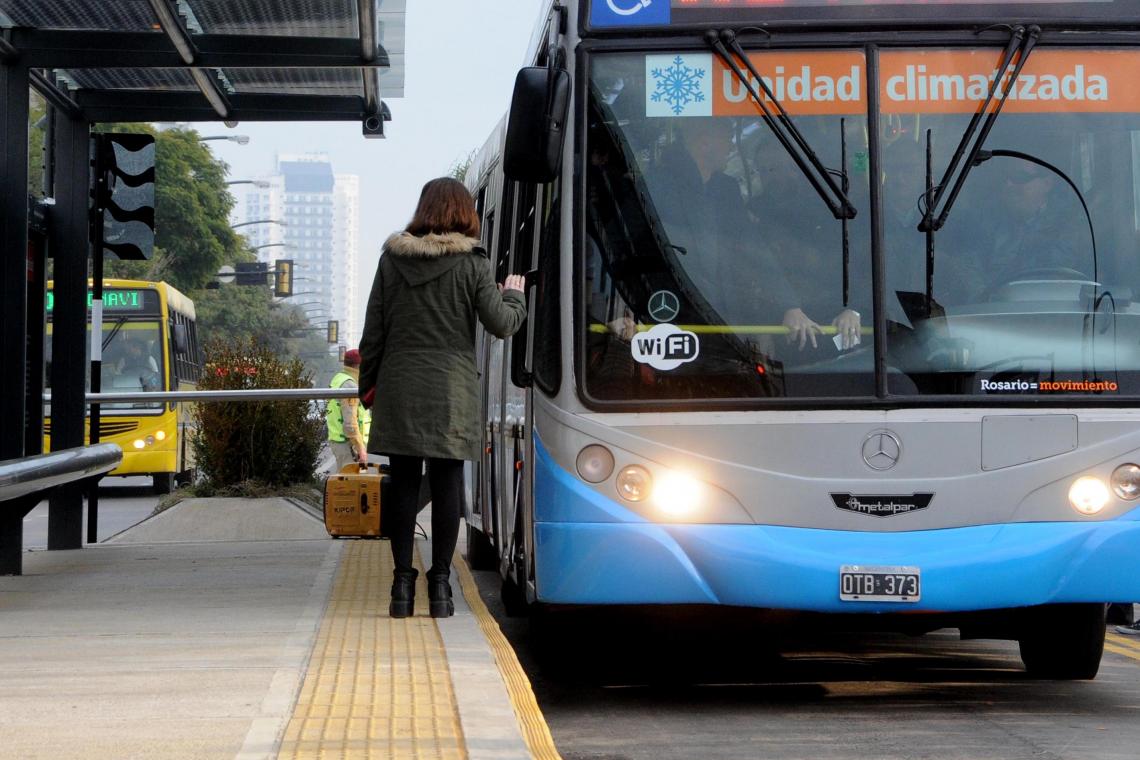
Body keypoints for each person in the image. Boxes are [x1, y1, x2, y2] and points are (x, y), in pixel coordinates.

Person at [359, 177, 526, 619]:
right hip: (451, 389)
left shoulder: (392, 261)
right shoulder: (472, 263)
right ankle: (440, 588)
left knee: (404, 483)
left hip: (400, 385)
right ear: (464, 212)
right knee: (449, 483)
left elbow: (373, 332)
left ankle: (400, 586)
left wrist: (368, 388)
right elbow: (503, 324)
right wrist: (515, 295)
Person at [648, 117, 860, 351]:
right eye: (727, 138)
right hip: (673, 313)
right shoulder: (655, 186)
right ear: (705, 142)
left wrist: (788, 306)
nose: (731, 147)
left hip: (726, 318)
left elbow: (752, 252)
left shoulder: (725, 190)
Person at [326, 349, 368, 471]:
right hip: (349, 444)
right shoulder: (350, 386)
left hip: (343, 442)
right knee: (353, 484)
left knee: (352, 481)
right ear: (360, 365)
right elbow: (350, 424)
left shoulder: (339, 378)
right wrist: (360, 448)